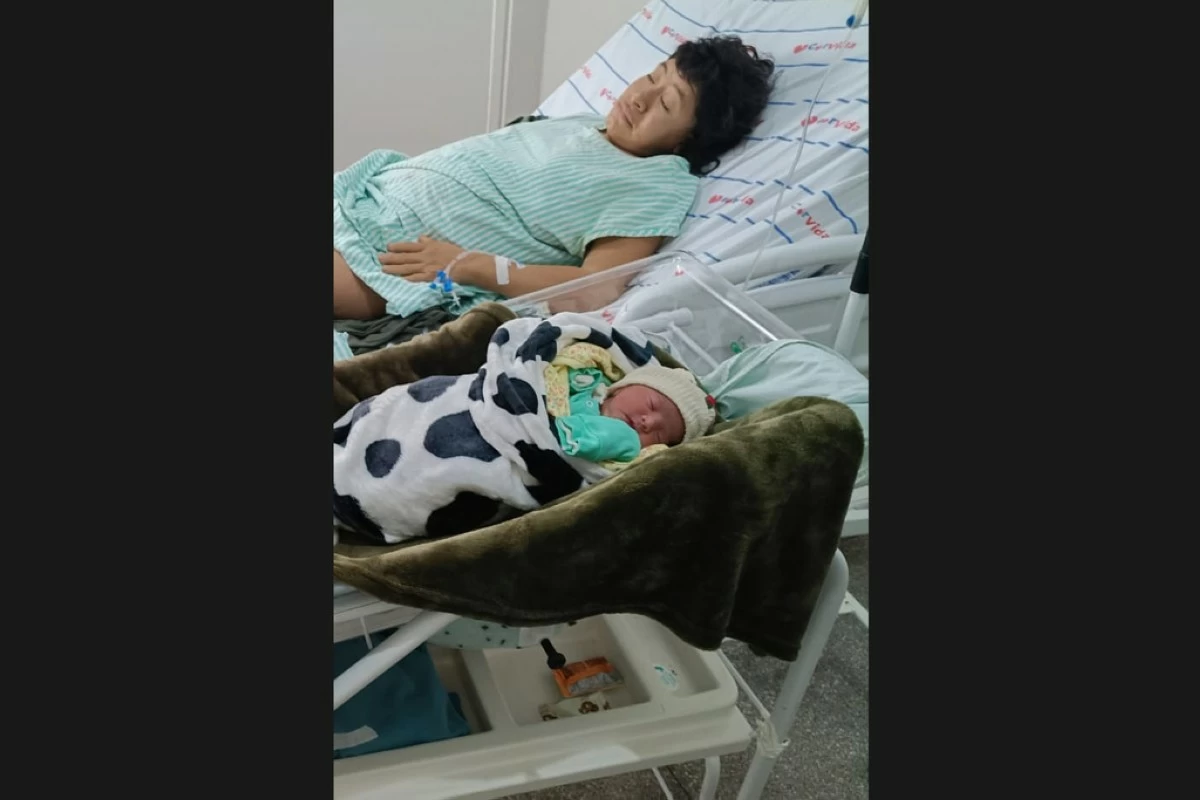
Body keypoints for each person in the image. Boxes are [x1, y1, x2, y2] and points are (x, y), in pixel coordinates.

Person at [333, 35, 776, 321]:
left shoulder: (657, 183)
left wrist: (469, 265)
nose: (640, 97)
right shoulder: (581, 122)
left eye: (666, 103)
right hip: (360, 197)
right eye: (651, 76)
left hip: (385, 260)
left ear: (689, 140)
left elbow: (593, 289)